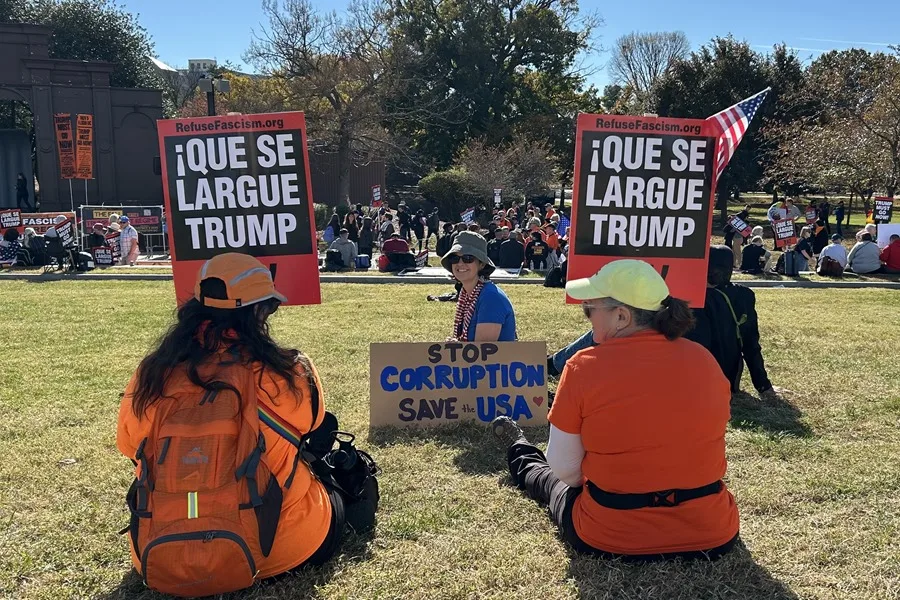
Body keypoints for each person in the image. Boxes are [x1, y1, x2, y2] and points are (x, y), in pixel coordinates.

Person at [116, 253, 378, 595]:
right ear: (258, 311)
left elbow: (128, 445)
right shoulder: (291, 370)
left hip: (160, 552)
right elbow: (313, 427)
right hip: (284, 550)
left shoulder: (152, 373)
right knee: (339, 480)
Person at [493, 259, 738, 561]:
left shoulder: (583, 366)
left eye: (591, 308)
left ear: (622, 316)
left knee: (545, 477)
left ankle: (519, 449)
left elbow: (566, 472)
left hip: (609, 533)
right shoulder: (705, 360)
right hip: (711, 531)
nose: (588, 317)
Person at [685, 246, 775, 397]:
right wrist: (763, 385)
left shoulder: (692, 297)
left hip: (697, 378)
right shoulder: (744, 295)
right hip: (729, 377)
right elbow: (751, 344)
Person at [441, 231, 516, 342]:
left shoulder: (490, 298)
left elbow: (482, 352)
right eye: (454, 258)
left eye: (468, 258)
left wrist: (458, 347)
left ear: (481, 264)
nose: (460, 263)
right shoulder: (467, 294)